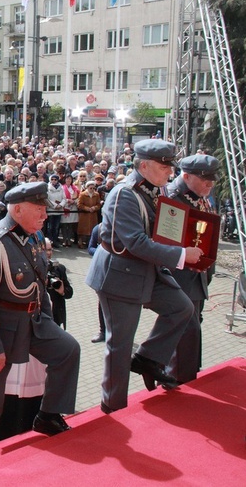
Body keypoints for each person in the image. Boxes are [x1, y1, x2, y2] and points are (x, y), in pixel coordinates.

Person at [0, 182, 80, 459]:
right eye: (40, 209)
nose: (45, 215)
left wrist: (47, 320)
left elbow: (39, 284)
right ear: (19, 209)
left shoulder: (33, 236)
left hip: (31, 320)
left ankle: (47, 415)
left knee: (68, 349)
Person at [85, 139, 202, 413]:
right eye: (164, 166)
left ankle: (147, 359)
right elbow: (136, 242)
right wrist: (182, 256)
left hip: (146, 270)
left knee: (182, 308)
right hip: (119, 275)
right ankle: (113, 408)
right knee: (120, 344)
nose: (169, 172)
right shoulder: (125, 193)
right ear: (145, 165)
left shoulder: (155, 189)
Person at [163, 154, 220, 384]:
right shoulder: (172, 199)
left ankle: (184, 373)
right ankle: (175, 379)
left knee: (192, 328)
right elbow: (166, 243)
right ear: (186, 176)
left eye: (211, 180)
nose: (210, 184)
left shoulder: (199, 195)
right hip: (180, 276)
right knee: (186, 329)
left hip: (198, 275)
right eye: (205, 179)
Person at [44, 239, 73, 330]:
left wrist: (62, 291)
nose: (49, 253)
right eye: (46, 250)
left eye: (50, 250)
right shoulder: (34, 270)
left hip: (56, 316)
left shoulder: (59, 268)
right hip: (42, 317)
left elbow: (69, 293)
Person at [76, 180, 101, 248]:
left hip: (93, 215)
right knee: (82, 229)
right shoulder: (82, 194)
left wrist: (94, 208)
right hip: (84, 215)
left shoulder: (97, 194)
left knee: (92, 229)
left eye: (93, 188)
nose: (92, 189)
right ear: (87, 187)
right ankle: (80, 242)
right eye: (91, 188)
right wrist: (87, 208)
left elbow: (98, 204)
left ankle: (90, 243)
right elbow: (79, 204)